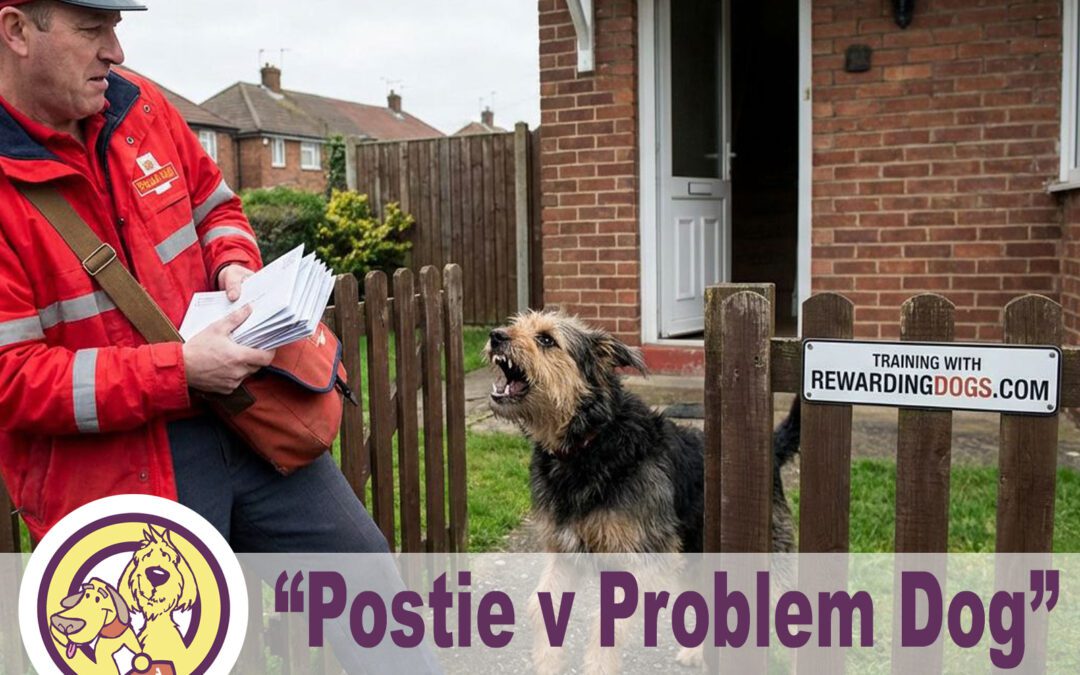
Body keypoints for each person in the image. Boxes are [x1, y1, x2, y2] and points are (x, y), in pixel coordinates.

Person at [0, 0, 392, 555]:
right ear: (16, 30)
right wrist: (178, 371)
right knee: (188, 639)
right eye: (92, 30)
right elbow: (11, 381)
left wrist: (233, 262)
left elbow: (217, 208)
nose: (116, 52)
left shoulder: (141, 110)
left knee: (367, 585)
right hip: (115, 478)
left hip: (241, 417)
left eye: (115, 28)